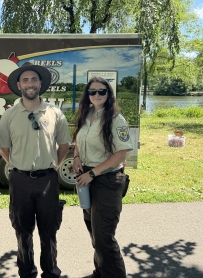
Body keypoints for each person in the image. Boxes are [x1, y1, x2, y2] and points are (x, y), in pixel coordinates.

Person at [0, 62, 71, 278]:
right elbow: (4, 148)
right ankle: (26, 271)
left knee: (49, 231)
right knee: (22, 230)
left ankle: (50, 271)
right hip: (19, 180)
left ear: (40, 83)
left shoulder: (55, 113)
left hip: (48, 180)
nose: (30, 83)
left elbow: (64, 145)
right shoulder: (9, 116)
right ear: (19, 85)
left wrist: (54, 166)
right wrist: (18, 164)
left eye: (34, 79)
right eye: (25, 80)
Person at [72, 77, 133, 278]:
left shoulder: (117, 120)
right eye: (92, 92)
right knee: (93, 231)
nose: (96, 95)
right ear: (87, 95)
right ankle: (100, 272)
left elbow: (122, 153)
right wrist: (77, 157)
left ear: (108, 95)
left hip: (107, 181)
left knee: (104, 237)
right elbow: (79, 141)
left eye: (101, 91)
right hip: (87, 180)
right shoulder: (86, 115)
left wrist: (92, 173)